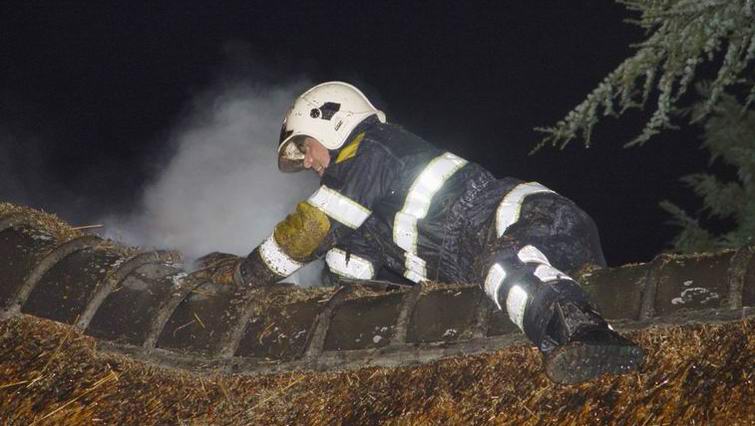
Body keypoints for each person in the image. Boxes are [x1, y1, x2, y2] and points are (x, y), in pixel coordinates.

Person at [198, 81, 644, 384]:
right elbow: (355, 282)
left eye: (306, 147)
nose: (308, 162)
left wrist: (242, 276)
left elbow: (310, 229)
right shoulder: (365, 213)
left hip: (536, 220)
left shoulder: (373, 149)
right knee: (346, 260)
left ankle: (589, 336)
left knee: (503, 264)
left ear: (330, 122)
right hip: (485, 257)